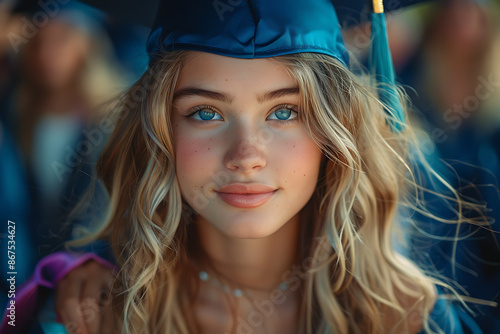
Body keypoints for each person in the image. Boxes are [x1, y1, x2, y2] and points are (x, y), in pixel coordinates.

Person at [1, 0, 494, 333]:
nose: (246, 155)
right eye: (206, 113)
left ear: (335, 130)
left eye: (284, 112)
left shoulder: (409, 320)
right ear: (160, 134)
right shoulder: (99, 316)